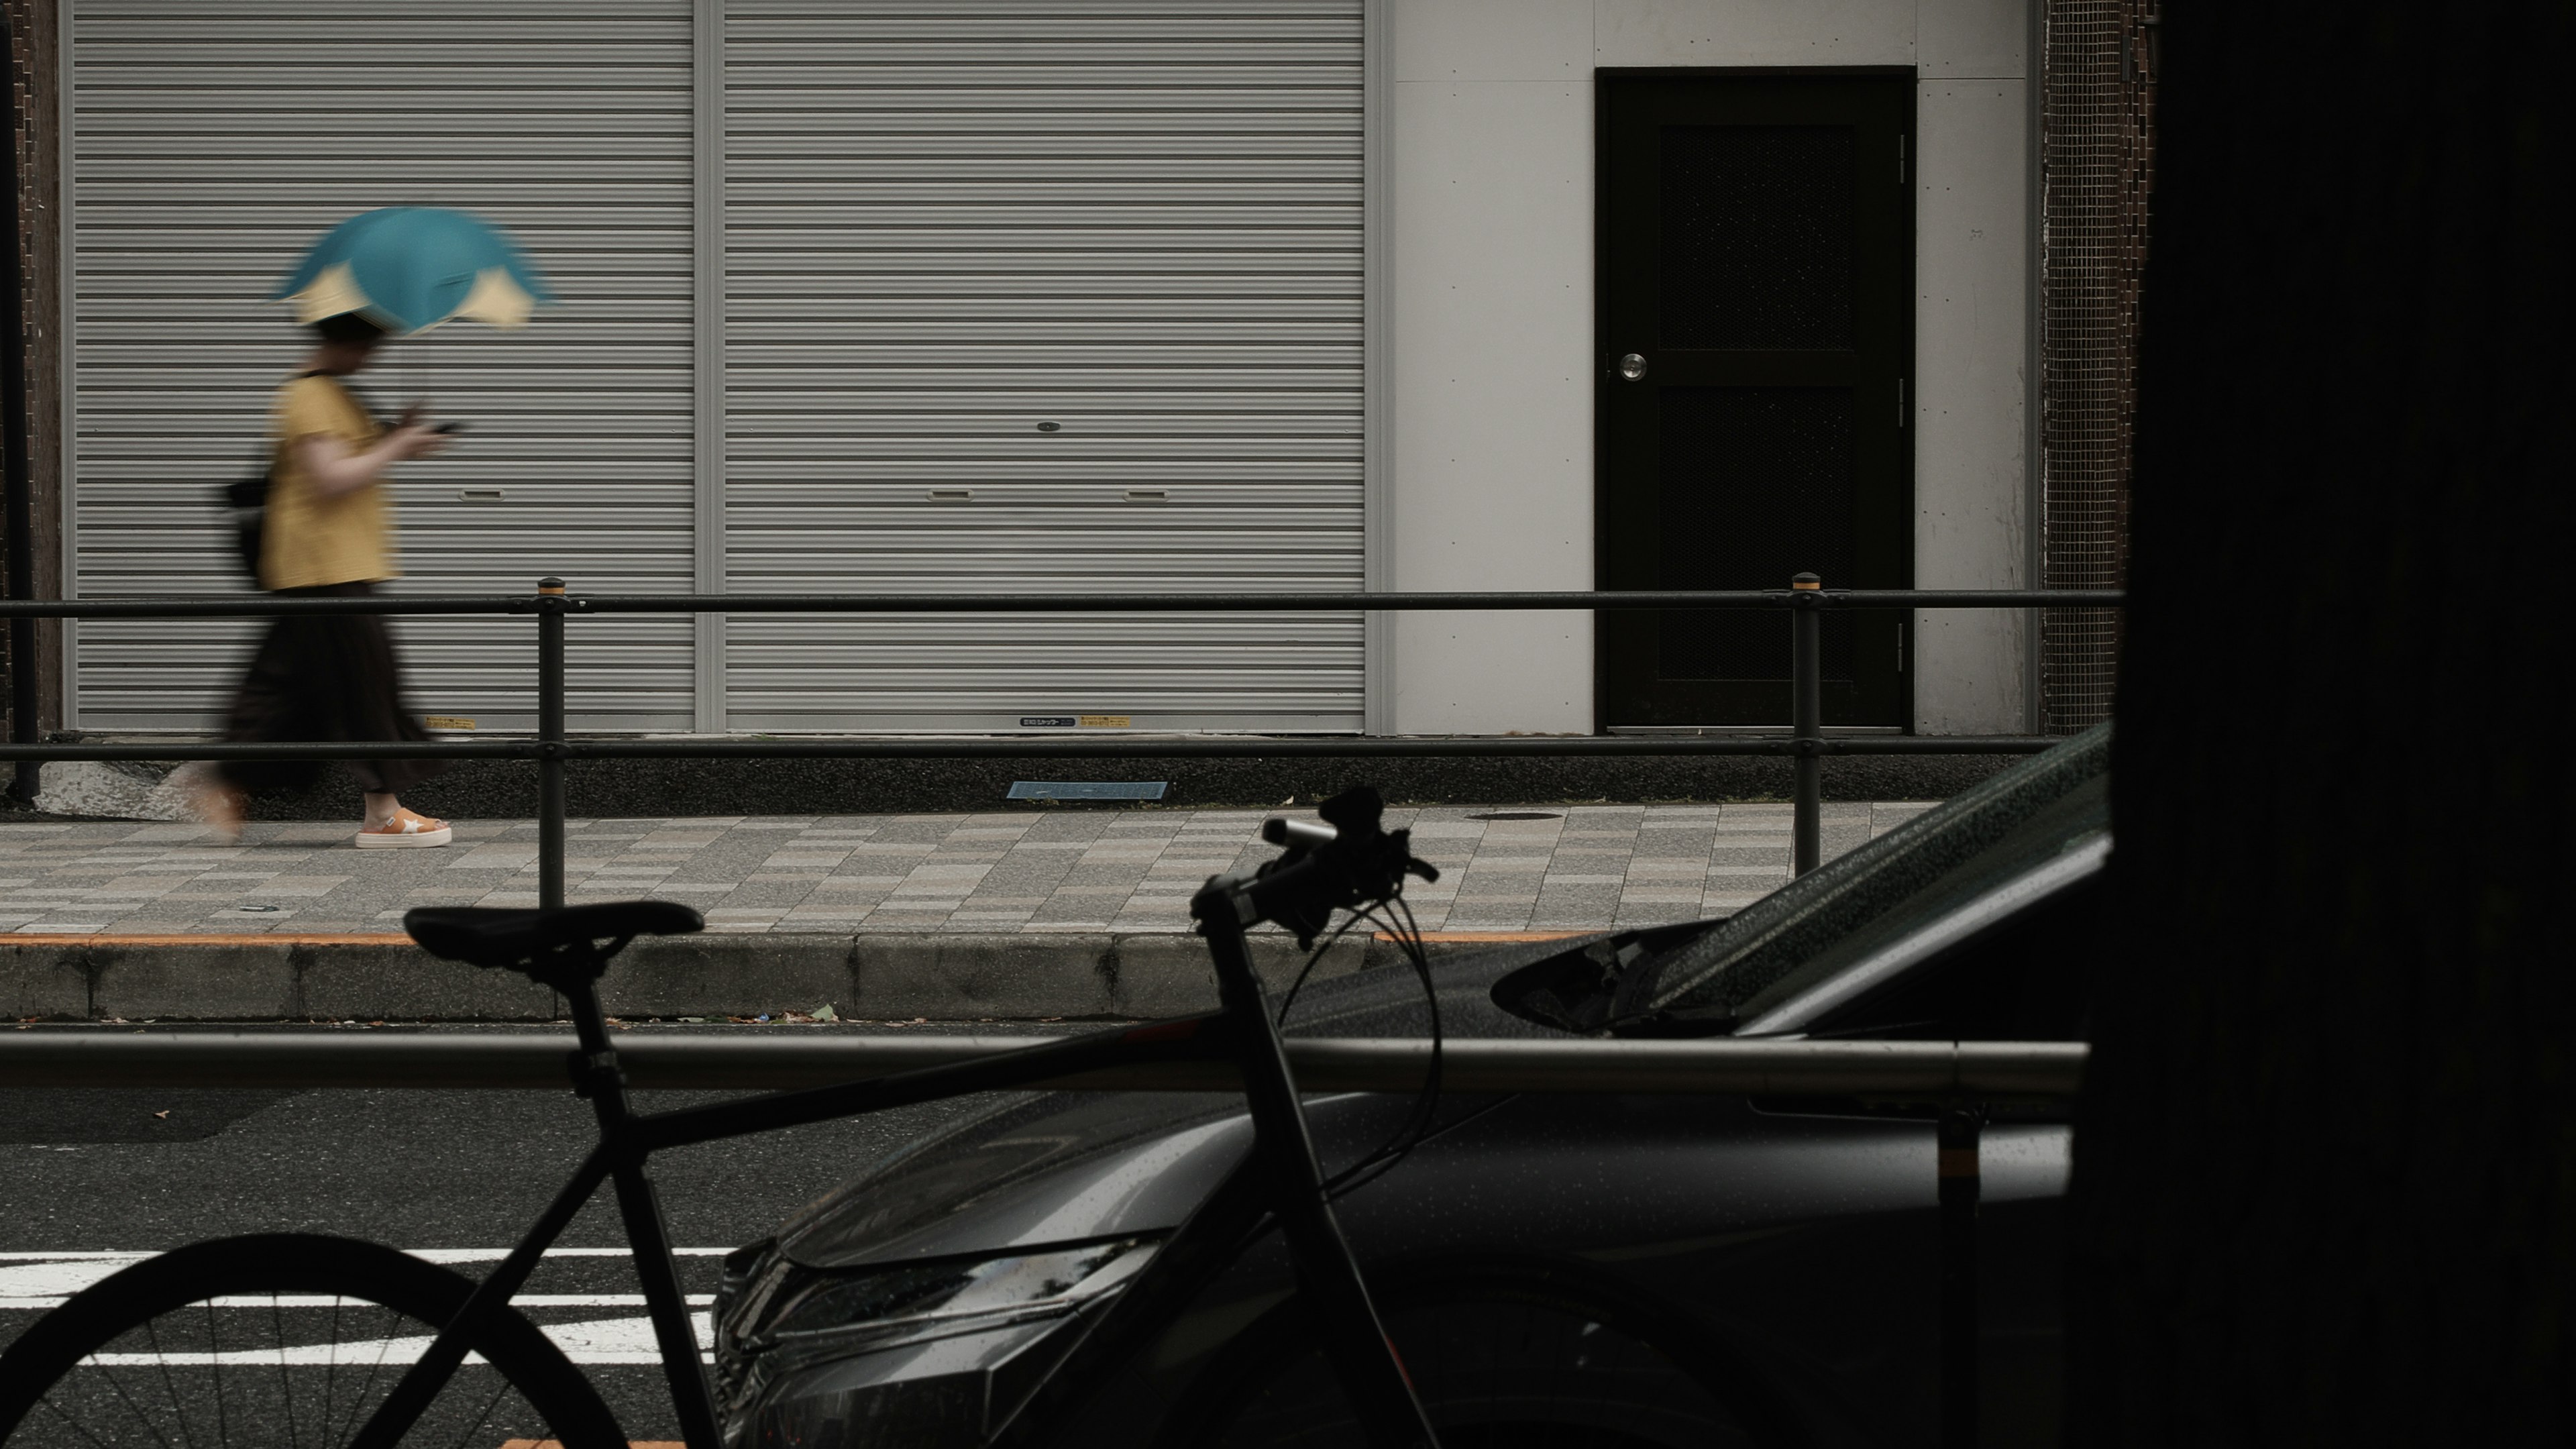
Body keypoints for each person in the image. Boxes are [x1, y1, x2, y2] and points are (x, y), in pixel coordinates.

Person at [186, 311, 455, 847]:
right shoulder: (309, 396)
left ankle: (224, 782)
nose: (373, 356)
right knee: (368, 682)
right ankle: (382, 814)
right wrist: (396, 447)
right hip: (327, 568)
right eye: (368, 345)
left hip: (328, 566)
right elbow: (331, 479)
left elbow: (352, 461)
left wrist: (400, 435)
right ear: (344, 341)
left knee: (282, 686)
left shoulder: (333, 393)